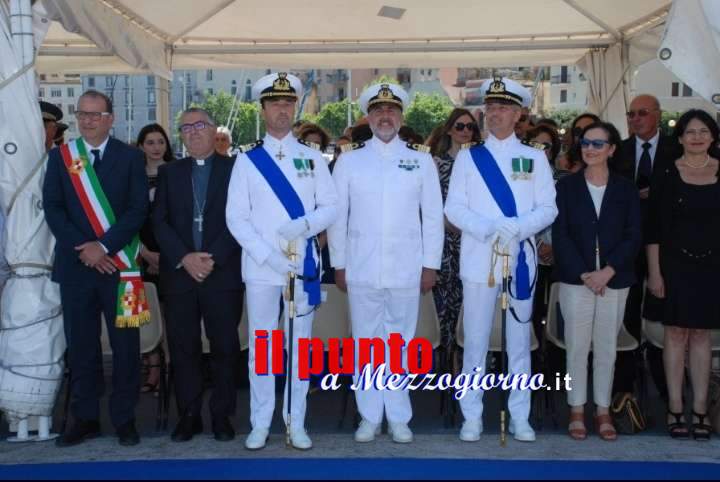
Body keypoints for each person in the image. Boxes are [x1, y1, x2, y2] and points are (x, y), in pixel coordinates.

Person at [226, 72, 338, 451]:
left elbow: (331, 207)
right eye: (275, 103)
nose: (282, 109)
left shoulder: (312, 157)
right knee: (263, 346)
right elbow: (236, 217)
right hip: (262, 268)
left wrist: (304, 225)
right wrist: (268, 256)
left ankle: (296, 421)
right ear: (262, 109)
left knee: (299, 347)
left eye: (288, 102)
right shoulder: (247, 159)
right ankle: (260, 423)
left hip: (302, 265)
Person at [328, 83, 444, 444]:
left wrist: (430, 265)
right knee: (365, 343)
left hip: (406, 267)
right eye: (378, 110)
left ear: (401, 117)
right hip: (361, 266)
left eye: (392, 110)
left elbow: (433, 217)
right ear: (368, 117)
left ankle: (397, 417)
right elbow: (338, 217)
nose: (385, 116)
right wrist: (339, 263)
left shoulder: (421, 160)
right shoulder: (349, 159)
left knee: (399, 344)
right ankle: (369, 416)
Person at [445, 76, 557, 443]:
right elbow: (454, 208)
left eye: (504, 108)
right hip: (480, 258)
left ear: (518, 113)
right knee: (475, 341)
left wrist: (519, 228)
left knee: (520, 341)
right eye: (491, 107)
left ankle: (520, 416)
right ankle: (472, 416)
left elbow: (548, 208)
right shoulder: (468, 157)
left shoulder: (534, 156)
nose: (495, 113)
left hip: (521, 259)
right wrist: (490, 228)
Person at [43, 90, 149, 447]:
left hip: (120, 269)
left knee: (126, 348)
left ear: (110, 119)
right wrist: (85, 249)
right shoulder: (61, 157)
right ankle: (84, 418)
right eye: (82, 114)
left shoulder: (130, 157)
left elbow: (138, 209)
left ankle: (125, 419)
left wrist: (103, 247)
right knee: (81, 347)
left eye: (95, 114)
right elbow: (53, 207)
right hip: (76, 268)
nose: (87, 120)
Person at [153, 108, 243, 443]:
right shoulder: (169, 172)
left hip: (222, 274)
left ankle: (222, 415)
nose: (192, 132)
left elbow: (242, 218)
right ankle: (188, 415)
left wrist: (211, 258)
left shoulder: (236, 170)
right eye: (185, 127)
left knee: (225, 348)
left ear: (213, 129)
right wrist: (185, 257)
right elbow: (159, 221)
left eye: (199, 125)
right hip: (180, 275)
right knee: (183, 348)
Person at [552, 121, 641, 441]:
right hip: (577, 281)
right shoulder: (566, 187)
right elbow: (560, 235)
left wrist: (608, 271)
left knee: (606, 348)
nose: (590, 149)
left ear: (612, 149)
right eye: (586, 143)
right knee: (576, 348)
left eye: (598, 144)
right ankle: (576, 409)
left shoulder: (625, 188)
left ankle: (603, 410)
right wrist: (584, 274)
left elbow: (634, 235)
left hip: (614, 280)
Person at [646, 109, 720, 441]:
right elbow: (654, 229)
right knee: (675, 335)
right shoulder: (665, 173)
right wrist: (655, 273)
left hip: (712, 268)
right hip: (673, 266)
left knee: (702, 336)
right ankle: (675, 407)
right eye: (690, 132)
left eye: (704, 131)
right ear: (680, 138)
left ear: (713, 136)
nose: (697, 137)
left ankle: (700, 408)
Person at [611, 95, 681, 402]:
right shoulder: (618, 151)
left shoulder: (677, 150)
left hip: (668, 247)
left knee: (662, 317)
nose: (635, 119)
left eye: (642, 113)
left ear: (658, 115)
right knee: (626, 315)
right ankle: (624, 389)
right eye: (631, 114)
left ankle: (667, 391)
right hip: (626, 246)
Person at [428, 108, 481, 349]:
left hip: (474, 242)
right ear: (449, 129)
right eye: (460, 126)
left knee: (470, 308)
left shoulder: (481, 164)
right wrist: (449, 224)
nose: (465, 131)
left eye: (470, 126)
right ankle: (443, 365)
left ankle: (467, 363)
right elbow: (429, 207)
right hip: (444, 245)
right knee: (443, 308)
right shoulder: (435, 163)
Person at [136, 123, 175, 394]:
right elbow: (125, 220)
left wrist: (168, 255)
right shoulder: (132, 176)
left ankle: (171, 368)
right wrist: (145, 254)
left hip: (172, 255)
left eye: (160, 141)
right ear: (141, 146)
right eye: (150, 142)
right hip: (139, 256)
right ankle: (152, 369)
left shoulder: (176, 173)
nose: (156, 147)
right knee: (145, 315)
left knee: (171, 316)